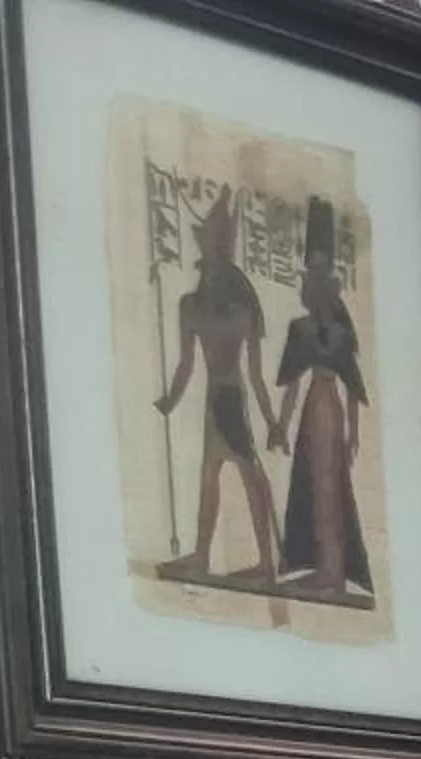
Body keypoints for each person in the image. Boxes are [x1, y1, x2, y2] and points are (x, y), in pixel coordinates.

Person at [152, 191, 278, 588]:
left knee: (244, 472)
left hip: (229, 398)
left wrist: (273, 421)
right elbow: (187, 363)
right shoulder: (196, 305)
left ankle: (262, 562)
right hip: (218, 398)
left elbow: (254, 373)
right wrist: (170, 400)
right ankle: (206, 555)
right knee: (214, 474)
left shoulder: (236, 306)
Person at [267, 199, 371, 602]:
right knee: (317, 485)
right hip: (316, 407)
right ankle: (325, 567)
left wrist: (354, 433)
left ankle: (333, 570)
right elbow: (293, 383)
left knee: (330, 487)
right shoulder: (301, 328)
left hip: (327, 408)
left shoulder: (339, 334)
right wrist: (280, 423)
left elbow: (354, 386)